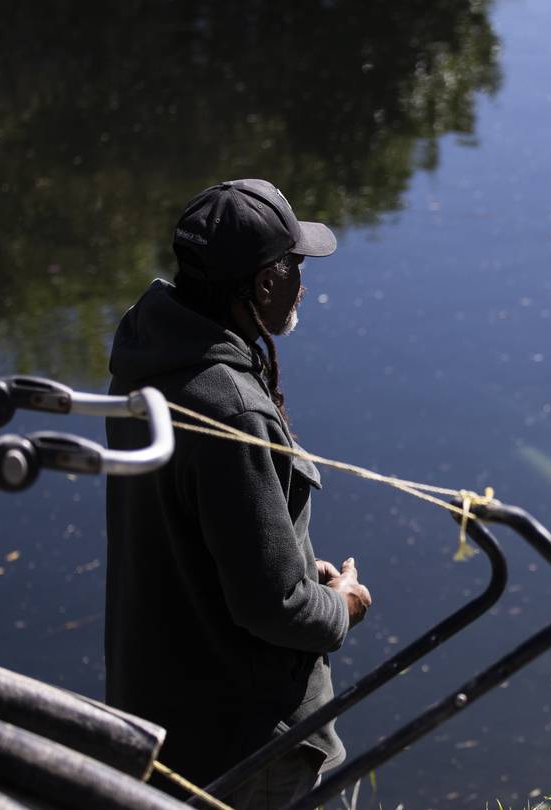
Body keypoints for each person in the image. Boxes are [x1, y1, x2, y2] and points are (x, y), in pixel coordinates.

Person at [105, 179, 372, 808]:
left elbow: (201, 543)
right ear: (263, 284)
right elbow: (274, 605)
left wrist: (295, 566)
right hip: (248, 745)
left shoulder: (148, 362)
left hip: (163, 718)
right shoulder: (230, 408)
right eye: (295, 266)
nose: (303, 283)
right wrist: (340, 606)